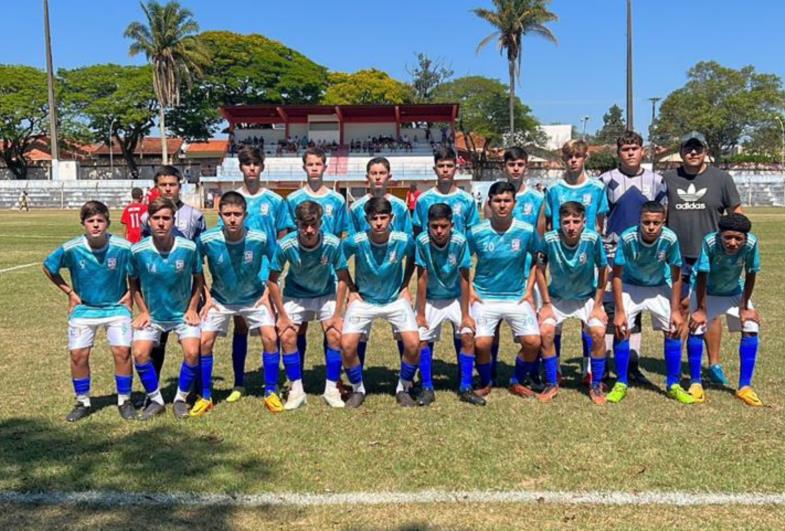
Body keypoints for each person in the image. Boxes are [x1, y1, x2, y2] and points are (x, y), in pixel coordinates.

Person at [43, 201, 136, 422]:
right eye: (90, 221)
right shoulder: (72, 248)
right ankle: (83, 401)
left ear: (107, 223)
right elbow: (48, 266)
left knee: (122, 352)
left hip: (116, 308)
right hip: (84, 308)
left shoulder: (123, 248)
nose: (96, 225)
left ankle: (125, 399)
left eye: (100, 221)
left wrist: (131, 294)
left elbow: (136, 272)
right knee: (78, 355)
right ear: (83, 224)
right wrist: (69, 292)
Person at [663, 132, 742, 386]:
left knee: (710, 310)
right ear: (681, 151)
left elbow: (736, 214)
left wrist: (734, 244)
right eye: (688, 148)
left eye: (698, 148)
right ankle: (675, 363)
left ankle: (714, 363)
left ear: (705, 150)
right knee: (684, 306)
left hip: (711, 256)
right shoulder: (669, 179)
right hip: (679, 256)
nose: (693, 153)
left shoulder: (721, 178)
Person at [192, 191, 280, 417]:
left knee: (270, 337)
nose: (232, 219)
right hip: (220, 300)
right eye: (227, 214)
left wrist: (266, 294)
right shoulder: (207, 240)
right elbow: (195, 267)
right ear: (219, 214)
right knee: (205, 342)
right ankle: (205, 395)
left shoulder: (259, 237)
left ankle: (271, 391)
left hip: (253, 298)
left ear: (245, 215)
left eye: (237, 214)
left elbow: (276, 263)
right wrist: (207, 296)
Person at [222, 146, 294, 404]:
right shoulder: (231, 200)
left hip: (268, 273)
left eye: (256, 164)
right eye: (246, 164)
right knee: (240, 326)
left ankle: (275, 383)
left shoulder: (275, 200)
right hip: (240, 273)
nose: (251, 168)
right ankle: (239, 382)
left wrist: (277, 268)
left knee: (273, 327)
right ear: (240, 167)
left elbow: (283, 234)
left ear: (262, 167)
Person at [267, 200, 352, 409]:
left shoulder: (332, 243)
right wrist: (283, 315)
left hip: (325, 293)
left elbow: (343, 277)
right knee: (287, 334)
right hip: (296, 294)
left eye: (313, 224)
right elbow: (272, 280)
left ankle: (331, 389)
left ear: (321, 222)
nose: (309, 230)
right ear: (296, 223)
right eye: (304, 225)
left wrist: (338, 314)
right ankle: (296, 390)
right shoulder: (286, 244)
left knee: (335, 333)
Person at [606, 202, 692, 404]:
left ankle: (673, 385)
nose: (651, 227)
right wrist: (619, 311)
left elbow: (676, 274)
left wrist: (676, 309)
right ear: (640, 221)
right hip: (630, 284)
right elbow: (616, 275)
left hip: (658, 285)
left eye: (656, 222)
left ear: (663, 222)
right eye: (646, 222)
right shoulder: (628, 238)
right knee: (621, 327)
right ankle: (621, 383)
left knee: (673, 328)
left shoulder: (670, 238)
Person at [537, 139, 609, 384]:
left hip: (585, 253)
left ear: (586, 157)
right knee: (553, 322)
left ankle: (589, 371)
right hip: (560, 252)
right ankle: (554, 370)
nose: (573, 161)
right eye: (569, 157)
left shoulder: (597, 188)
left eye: (578, 156)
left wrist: (593, 247)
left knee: (587, 318)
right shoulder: (554, 189)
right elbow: (548, 223)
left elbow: (599, 224)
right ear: (563, 160)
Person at [599, 131, 668, 384]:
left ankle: (631, 365)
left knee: (635, 312)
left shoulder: (656, 181)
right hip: (613, 253)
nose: (630, 153)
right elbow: (599, 219)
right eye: (625, 149)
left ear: (643, 151)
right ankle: (604, 365)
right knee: (612, 310)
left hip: (646, 256)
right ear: (618, 153)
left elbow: (663, 216)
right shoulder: (605, 180)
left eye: (635, 148)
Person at [128, 197, 204, 420]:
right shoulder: (138, 251)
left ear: (174, 221)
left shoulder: (189, 248)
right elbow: (133, 282)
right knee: (140, 353)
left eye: (166, 218)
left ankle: (180, 399)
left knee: (192, 352)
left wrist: (192, 308)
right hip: (154, 315)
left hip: (181, 315)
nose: (161, 223)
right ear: (149, 221)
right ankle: (156, 399)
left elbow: (199, 279)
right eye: (156, 218)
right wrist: (143, 311)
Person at [340, 197, 419, 408]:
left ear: (391, 218)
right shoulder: (356, 240)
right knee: (346, 346)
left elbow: (414, 258)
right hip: (364, 299)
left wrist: (405, 285)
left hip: (394, 299)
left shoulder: (403, 239)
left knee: (413, 343)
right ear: (366, 219)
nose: (378, 222)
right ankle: (358, 389)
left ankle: (403, 387)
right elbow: (339, 261)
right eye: (373, 218)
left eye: (383, 217)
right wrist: (352, 288)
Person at [468, 181, 542, 399]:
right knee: (481, 343)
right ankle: (486, 380)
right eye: (498, 200)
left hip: (517, 297)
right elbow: (462, 263)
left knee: (533, 342)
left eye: (507, 201)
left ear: (514, 203)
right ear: (489, 203)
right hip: (485, 297)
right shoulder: (477, 231)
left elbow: (539, 258)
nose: (502, 205)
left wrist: (529, 290)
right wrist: (471, 292)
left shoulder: (526, 231)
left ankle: (516, 380)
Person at [536, 201, 609, 404]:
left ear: (584, 222)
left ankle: (595, 384)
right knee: (546, 332)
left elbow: (604, 270)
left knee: (598, 332)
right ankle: (551, 382)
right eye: (566, 221)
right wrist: (546, 304)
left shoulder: (592, 239)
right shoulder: (549, 239)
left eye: (576, 221)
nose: (571, 226)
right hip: (557, 298)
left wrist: (597, 305)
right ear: (558, 222)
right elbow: (540, 271)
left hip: (585, 298)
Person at [687, 213, 762, 406]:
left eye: (738, 238)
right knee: (696, 327)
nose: (733, 242)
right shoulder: (710, 242)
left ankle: (745, 386)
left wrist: (745, 306)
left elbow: (751, 272)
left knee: (751, 326)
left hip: (733, 290)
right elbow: (702, 274)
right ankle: (695, 383)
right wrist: (701, 309)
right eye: (728, 237)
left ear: (745, 238)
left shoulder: (752, 244)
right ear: (719, 234)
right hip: (706, 290)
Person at [140, 166, 206, 379]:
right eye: (163, 185)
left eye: (172, 184)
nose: (168, 189)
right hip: (157, 292)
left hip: (185, 291)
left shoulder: (194, 215)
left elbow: (199, 256)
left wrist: (203, 291)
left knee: (193, 342)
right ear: (156, 187)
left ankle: (193, 391)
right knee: (155, 344)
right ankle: (154, 391)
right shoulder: (147, 218)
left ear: (180, 185)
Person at [414, 203, 483, 406]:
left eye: (443, 226)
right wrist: (420, 313)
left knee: (468, 335)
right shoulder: (422, 241)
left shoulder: (460, 241)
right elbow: (422, 278)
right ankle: (427, 387)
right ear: (428, 225)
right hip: (431, 298)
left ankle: (466, 387)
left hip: (454, 297)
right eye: (434, 226)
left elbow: (464, 278)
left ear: (452, 225)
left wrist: (465, 315)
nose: (439, 231)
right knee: (421, 338)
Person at [286, 147, 349, 368]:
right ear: (304, 167)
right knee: (298, 327)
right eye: (310, 164)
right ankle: (298, 374)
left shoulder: (337, 199)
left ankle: (334, 380)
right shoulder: (293, 199)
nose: (314, 168)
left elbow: (340, 234)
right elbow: (288, 235)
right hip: (302, 273)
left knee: (330, 326)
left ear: (325, 166)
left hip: (328, 272)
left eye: (318, 164)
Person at [413, 147, 479, 236]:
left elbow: (473, 233)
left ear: (456, 169)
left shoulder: (467, 200)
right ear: (435, 169)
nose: (445, 170)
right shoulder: (423, 200)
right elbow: (417, 233)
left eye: (449, 166)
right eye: (440, 166)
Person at [349, 157, 412, 235]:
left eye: (382, 173)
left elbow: (408, 237)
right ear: (367, 177)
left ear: (389, 177)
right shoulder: (356, 207)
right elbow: (352, 239)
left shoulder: (401, 206)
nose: (378, 177)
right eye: (373, 173)